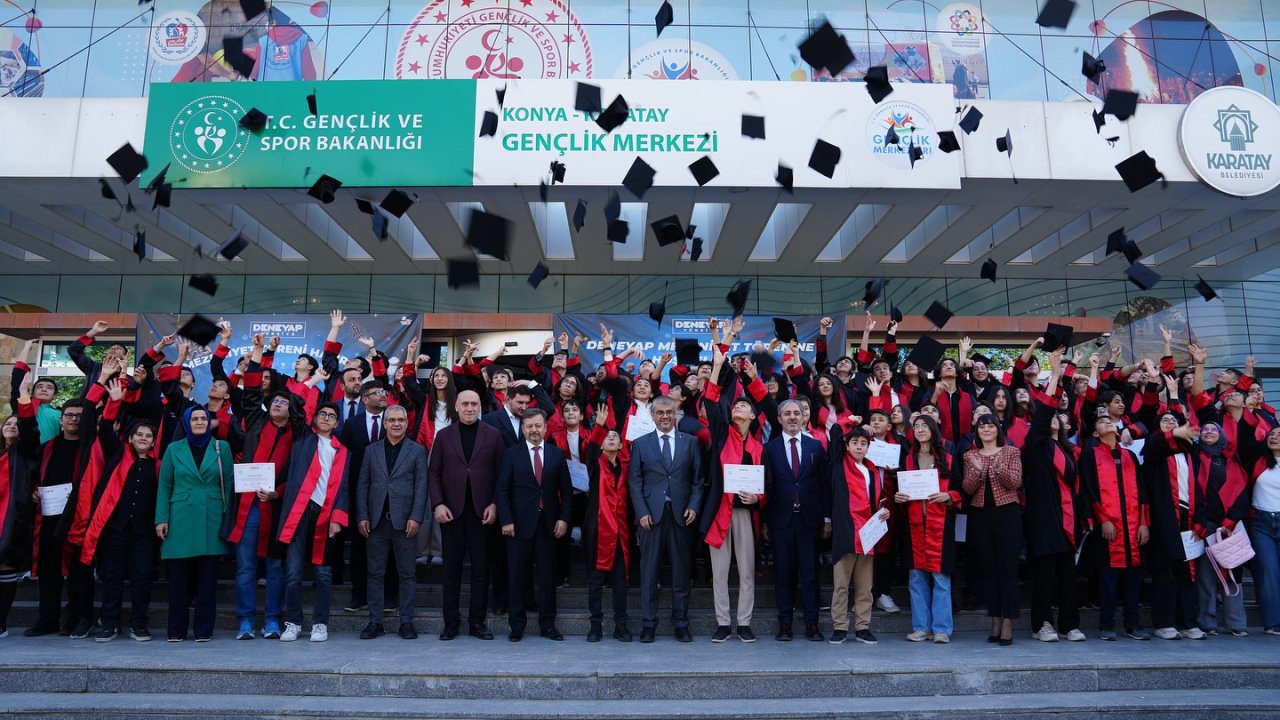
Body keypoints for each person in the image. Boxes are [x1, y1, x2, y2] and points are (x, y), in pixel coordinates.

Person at [225, 335, 304, 641]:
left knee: (275, 569)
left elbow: (299, 475)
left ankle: (272, 620)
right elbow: (253, 387)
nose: (277, 405)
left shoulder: (299, 435)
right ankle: (245, 621)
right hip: (248, 507)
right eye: (274, 401)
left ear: (291, 408)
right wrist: (259, 351)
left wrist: (277, 493)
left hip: (277, 507)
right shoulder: (255, 420)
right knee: (245, 569)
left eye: (284, 402)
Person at [17, 375, 102, 638]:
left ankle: (79, 617)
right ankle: (48, 620)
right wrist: (33, 494)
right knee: (48, 572)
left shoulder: (90, 448)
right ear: (60, 419)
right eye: (69, 415)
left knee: (80, 572)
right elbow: (33, 477)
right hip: (49, 518)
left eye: (79, 415)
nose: (74, 419)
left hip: (79, 519)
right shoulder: (46, 448)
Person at [700, 346, 773, 643]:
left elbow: (766, 486)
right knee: (719, 572)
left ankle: (743, 623)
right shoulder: (721, 434)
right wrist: (718, 366)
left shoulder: (760, 447)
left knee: (745, 571)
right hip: (720, 511)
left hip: (746, 514)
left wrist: (759, 500)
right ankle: (722, 622)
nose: (738, 408)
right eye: (737, 406)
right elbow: (710, 398)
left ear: (754, 415)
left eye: (744, 406)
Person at [79, 379, 160, 642]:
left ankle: (139, 624)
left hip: (144, 533)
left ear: (152, 441)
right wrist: (114, 400)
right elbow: (104, 430)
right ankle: (110, 623)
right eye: (140, 435)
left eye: (148, 436)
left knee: (141, 578)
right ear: (132, 437)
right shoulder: (117, 453)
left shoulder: (158, 465)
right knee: (111, 577)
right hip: (114, 529)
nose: (144, 439)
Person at [428, 389, 504, 641]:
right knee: (451, 570)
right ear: (457, 406)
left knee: (481, 571)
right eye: (465, 404)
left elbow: (501, 475)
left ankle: (477, 622)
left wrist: (495, 504)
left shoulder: (493, 435)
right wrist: (438, 504)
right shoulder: (443, 435)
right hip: (452, 513)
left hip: (483, 514)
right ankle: (450, 622)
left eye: (474, 404)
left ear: (480, 406)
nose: (470, 408)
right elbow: (434, 473)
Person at [628, 395, 704, 643]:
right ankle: (649, 624)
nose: (664, 416)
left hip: (682, 516)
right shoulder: (640, 443)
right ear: (652, 415)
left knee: (681, 573)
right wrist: (641, 512)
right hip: (650, 517)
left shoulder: (690, 442)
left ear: (675, 414)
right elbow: (635, 481)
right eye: (659, 412)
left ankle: (681, 623)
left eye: (668, 412)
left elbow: (698, 480)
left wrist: (694, 505)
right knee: (649, 573)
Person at [156, 406, 235, 642]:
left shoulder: (222, 447)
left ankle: (203, 630)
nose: (200, 422)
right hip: (180, 518)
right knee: (179, 582)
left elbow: (229, 484)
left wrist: (228, 519)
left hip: (212, 519)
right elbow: (165, 486)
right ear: (187, 422)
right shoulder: (173, 448)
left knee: (207, 582)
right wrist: (161, 518)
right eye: (195, 419)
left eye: (204, 418)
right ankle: (176, 630)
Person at [496, 408, 573, 641]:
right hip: (518, 526)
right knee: (517, 575)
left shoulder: (557, 454)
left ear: (545, 427)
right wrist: (506, 520)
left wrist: (563, 519)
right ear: (523, 429)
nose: (534, 430)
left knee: (548, 577)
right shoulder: (511, 454)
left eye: (538, 425)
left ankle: (548, 625)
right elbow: (502, 490)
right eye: (529, 426)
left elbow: (567, 492)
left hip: (548, 525)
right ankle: (516, 625)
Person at [276, 401, 350, 643]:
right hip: (299, 511)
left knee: (323, 574)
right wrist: (315, 380)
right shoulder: (302, 442)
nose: (327, 418)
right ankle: (294, 622)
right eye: (323, 414)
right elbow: (297, 406)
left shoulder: (343, 451)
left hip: (325, 513)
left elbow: (344, 488)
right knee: (294, 572)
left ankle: (320, 623)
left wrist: (338, 518)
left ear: (337, 423)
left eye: (332, 416)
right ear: (315, 418)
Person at [356, 404, 428, 640]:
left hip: (405, 522)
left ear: (407, 424)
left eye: (401, 420)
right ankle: (375, 622)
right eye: (392, 420)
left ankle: (406, 622)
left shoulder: (416, 451)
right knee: (375, 574)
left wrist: (416, 517)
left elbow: (421, 487)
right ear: (384, 423)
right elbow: (363, 485)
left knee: (407, 574)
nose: (396, 424)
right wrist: (363, 515)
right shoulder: (371, 450)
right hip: (376, 523)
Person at [763, 398, 831, 642]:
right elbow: (766, 486)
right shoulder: (769, 449)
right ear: (779, 419)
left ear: (804, 418)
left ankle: (812, 624)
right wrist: (764, 522)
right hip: (780, 521)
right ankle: (785, 624)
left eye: (797, 413)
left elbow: (825, 484)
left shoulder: (815, 447)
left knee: (811, 573)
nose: (793, 417)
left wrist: (827, 518)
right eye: (787, 413)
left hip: (810, 521)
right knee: (783, 573)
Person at [1079, 411, 1150, 641]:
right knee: (1108, 580)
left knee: (1133, 579)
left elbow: (1142, 491)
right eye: (1101, 421)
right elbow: (1088, 489)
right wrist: (1103, 520)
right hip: (1107, 527)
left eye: (1110, 420)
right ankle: (1107, 624)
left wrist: (1144, 523)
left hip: (1133, 525)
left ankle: (1133, 624)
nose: (1107, 422)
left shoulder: (1130, 455)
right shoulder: (1091, 454)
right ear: (1094, 433)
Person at [894, 414, 960, 644]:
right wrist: (899, 497)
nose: (920, 429)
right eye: (916, 426)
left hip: (940, 525)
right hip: (914, 525)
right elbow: (899, 491)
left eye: (924, 425)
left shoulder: (949, 459)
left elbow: (961, 491)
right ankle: (921, 627)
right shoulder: (908, 460)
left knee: (940, 578)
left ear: (933, 429)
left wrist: (948, 495)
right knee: (916, 577)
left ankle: (942, 629)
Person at [962, 414, 1024, 646]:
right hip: (981, 514)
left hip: (1007, 513)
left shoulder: (1011, 452)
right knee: (988, 569)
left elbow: (1015, 483)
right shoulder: (969, 456)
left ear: (998, 429)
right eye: (982, 426)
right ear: (976, 431)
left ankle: (1008, 621)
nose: (986, 429)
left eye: (990, 426)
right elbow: (967, 488)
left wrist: (998, 468)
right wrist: (978, 471)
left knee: (1007, 569)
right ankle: (995, 619)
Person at [829, 425, 890, 645]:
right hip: (846, 532)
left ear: (868, 447)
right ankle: (840, 627)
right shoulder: (839, 464)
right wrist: (850, 421)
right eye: (854, 443)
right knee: (841, 585)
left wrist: (884, 512)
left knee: (865, 587)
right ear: (847, 446)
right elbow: (835, 432)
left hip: (868, 533)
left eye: (863, 443)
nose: (859, 446)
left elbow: (879, 499)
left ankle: (863, 627)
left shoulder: (872, 470)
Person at [582, 403, 632, 642]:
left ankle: (621, 625)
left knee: (621, 582)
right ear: (601, 443)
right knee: (596, 580)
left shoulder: (626, 469)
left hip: (621, 533)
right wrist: (600, 426)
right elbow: (591, 448)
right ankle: (596, 625)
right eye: (607, 437)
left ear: (622, 445)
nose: (611, 439)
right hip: (598, 530)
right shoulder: (594, 465)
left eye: (616, 437)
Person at [0, 412, 34, 639]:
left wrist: (23, 397)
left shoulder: (25, 451)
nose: (12, 426)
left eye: (17, 424)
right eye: (8, 423)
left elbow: (31, 431)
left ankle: (1, 622)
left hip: (11, 516)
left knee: (5, 566)